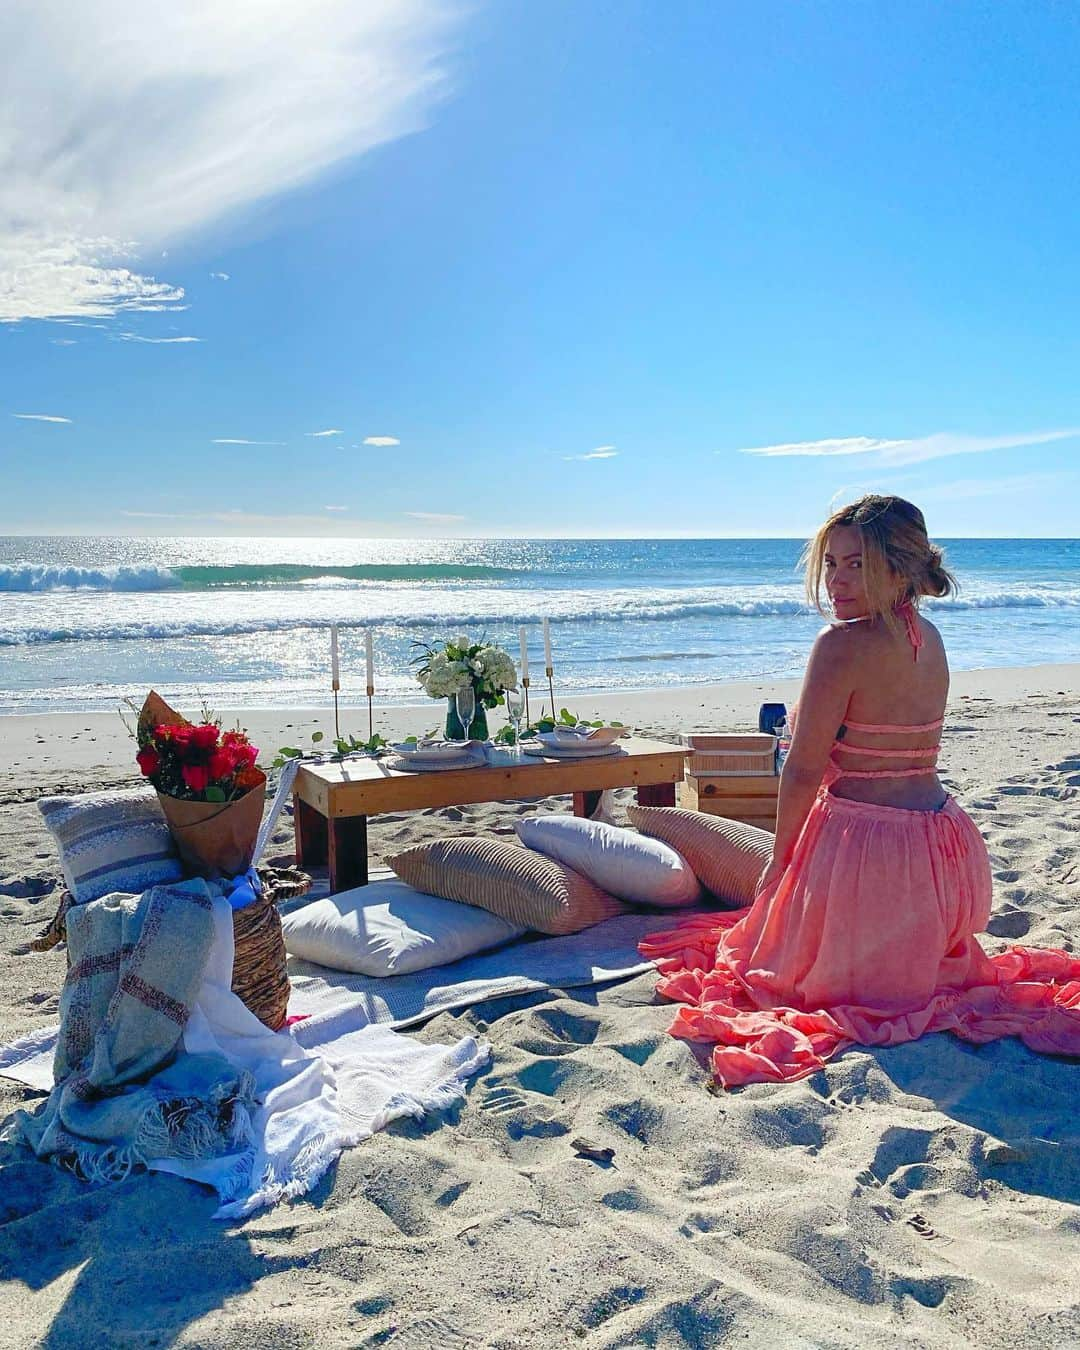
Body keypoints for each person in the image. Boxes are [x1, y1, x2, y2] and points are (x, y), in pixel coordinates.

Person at [641, 495, 1080, 1087]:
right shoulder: (928, 637)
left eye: (857, 565)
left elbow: (800, 770)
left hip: (866, 851)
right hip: (939, 847)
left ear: (901, 569)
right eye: (831, 563)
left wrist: (783, 858)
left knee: (775, 971)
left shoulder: (839, 646)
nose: (838, 580)